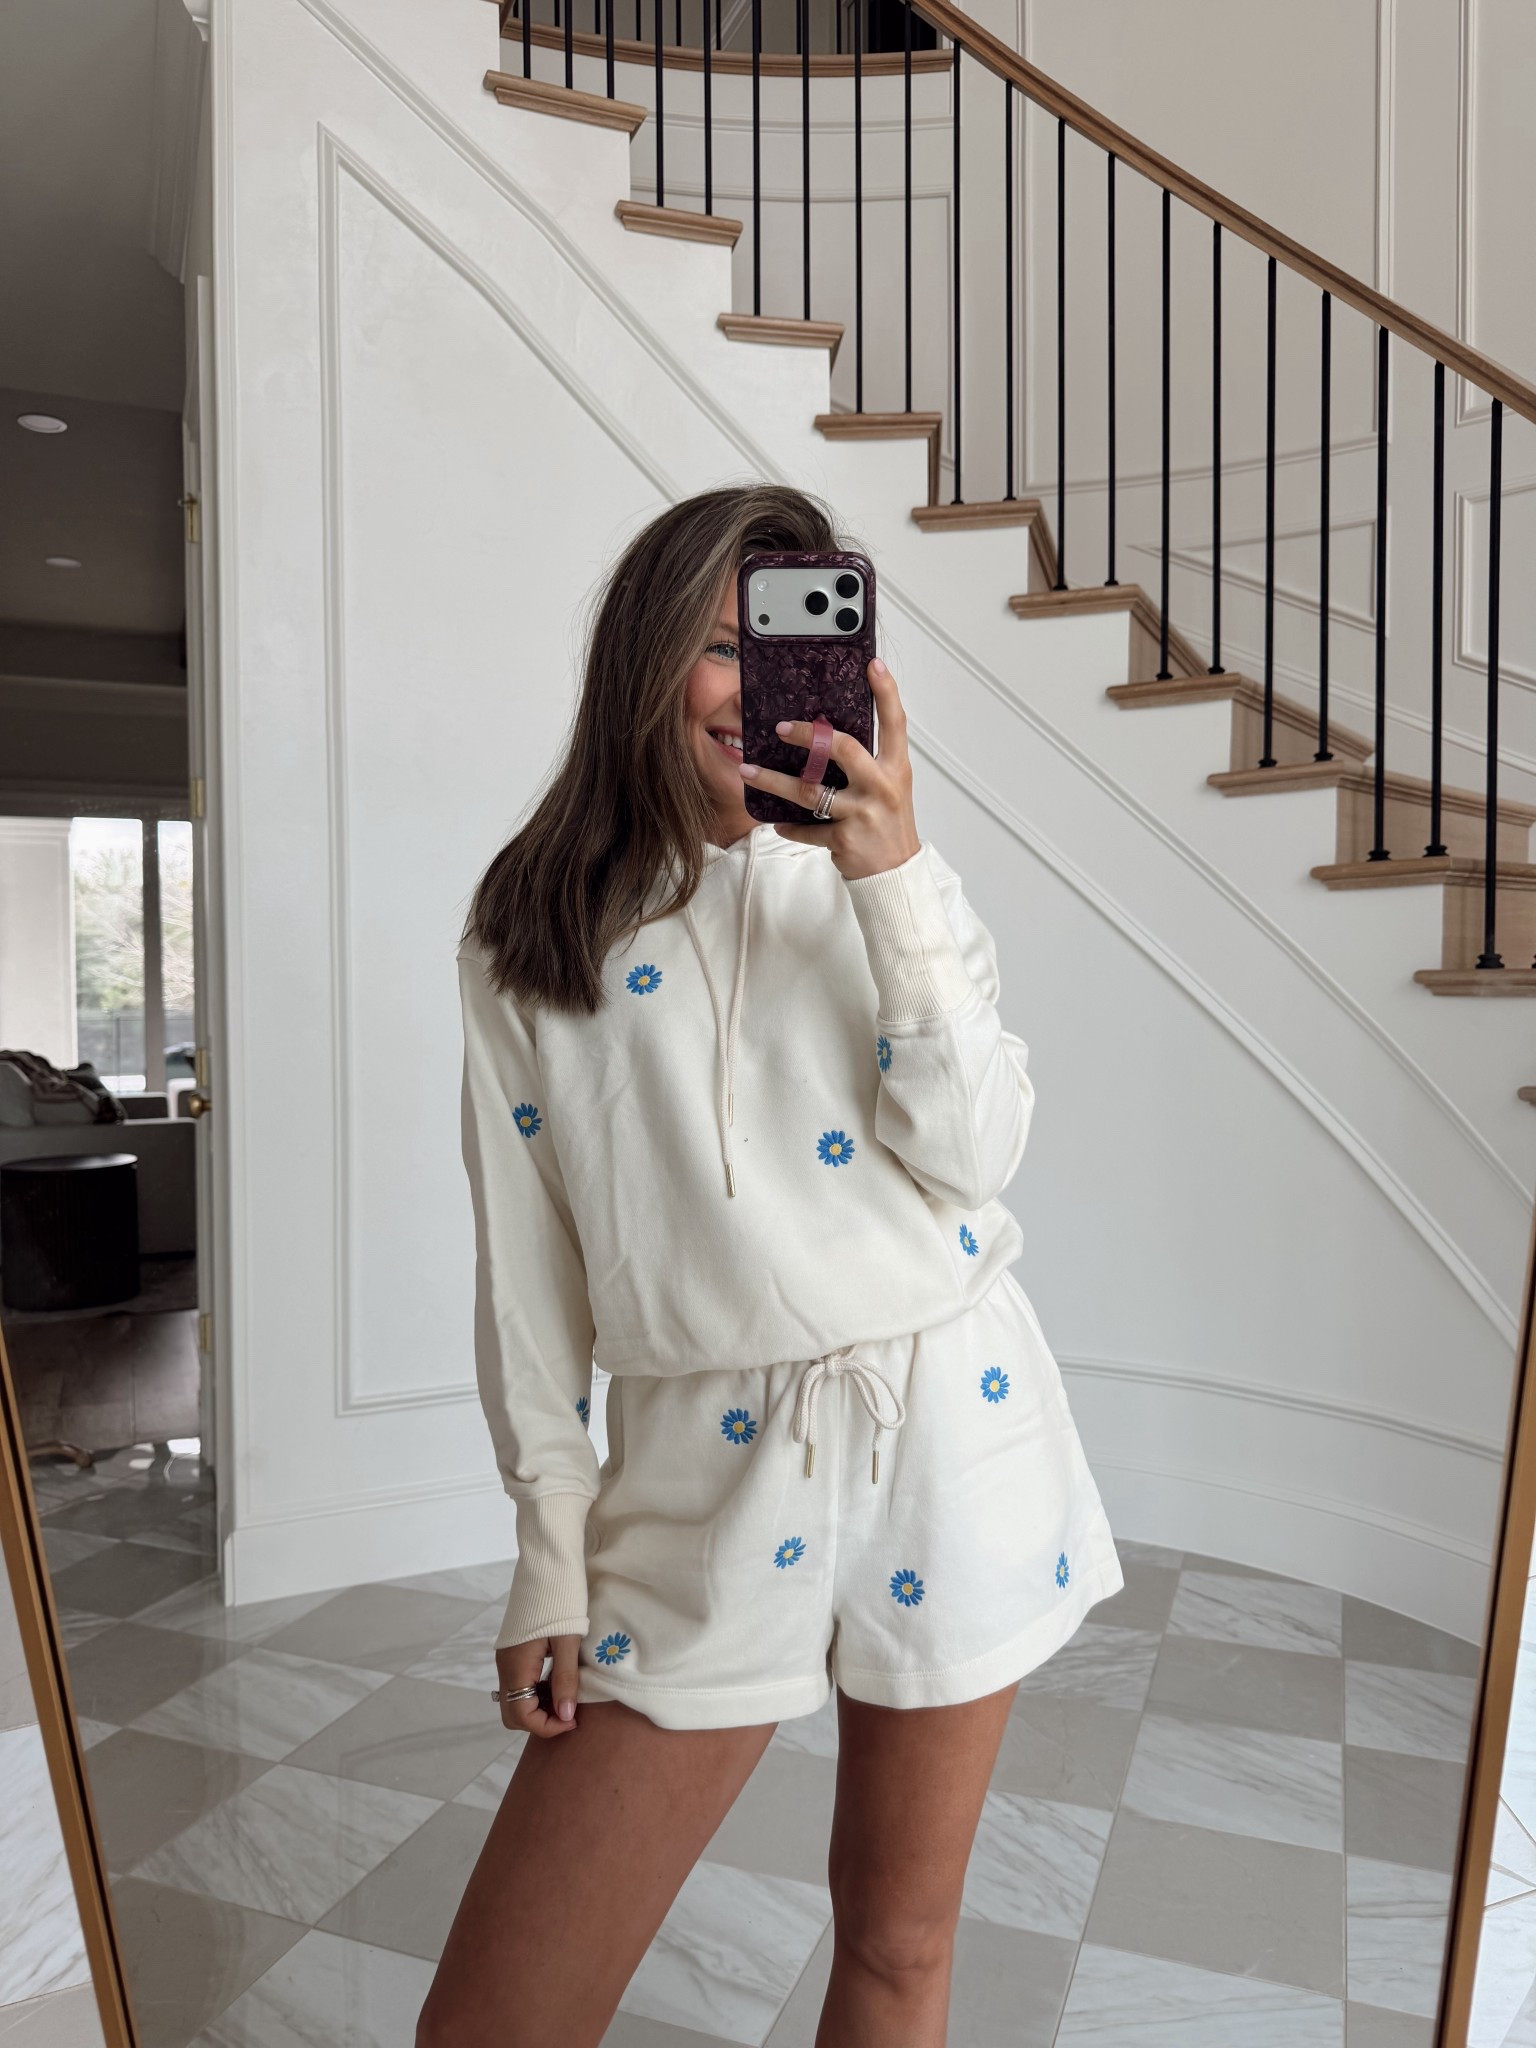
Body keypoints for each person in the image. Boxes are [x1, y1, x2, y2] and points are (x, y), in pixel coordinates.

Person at [418, 483, 1123, 2048]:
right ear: (648, 657)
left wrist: (893, 880)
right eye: (724, 646)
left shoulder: (890, 882)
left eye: (796, 642)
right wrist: (550, 1547)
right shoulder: (530, 931)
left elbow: (979, 1155)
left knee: (898, 1950)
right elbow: (528, 1275)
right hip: (700, 1468)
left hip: (949, 1431)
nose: (757, 687)